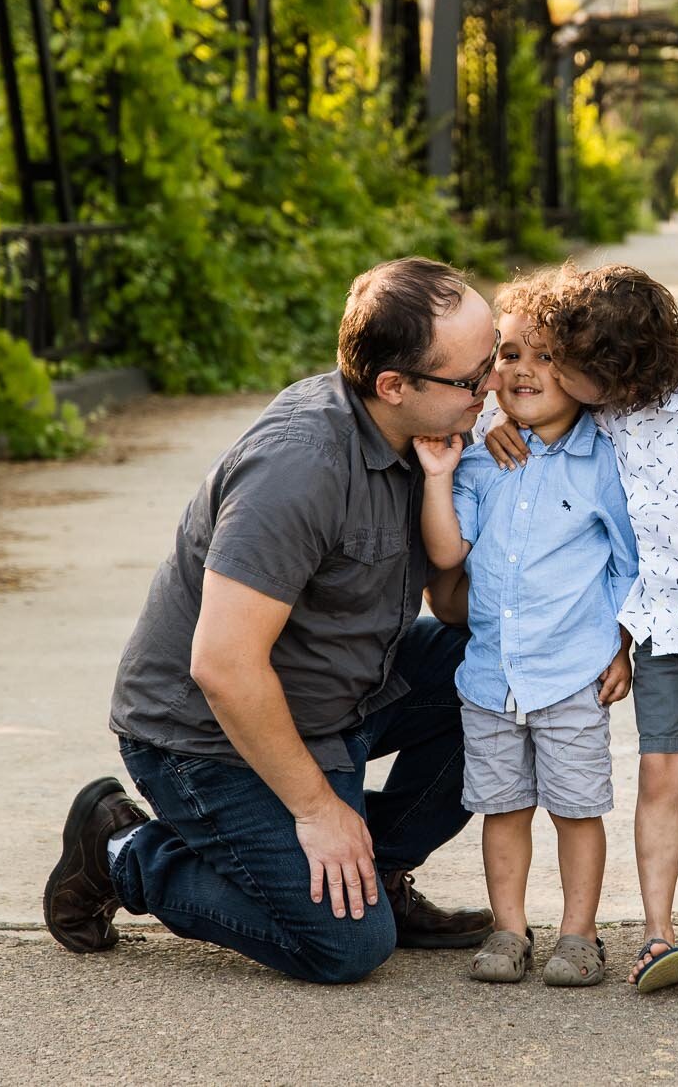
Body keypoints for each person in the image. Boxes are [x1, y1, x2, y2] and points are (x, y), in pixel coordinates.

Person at [42, 257, 499, 984]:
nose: (494, 386)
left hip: (345, 696)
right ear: (394, 385)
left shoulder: (433, 433)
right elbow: (223, 665)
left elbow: (451, 606)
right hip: (206, 735)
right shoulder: (299, 465)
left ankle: (369, 874)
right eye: (476, 378)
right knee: (348, 947)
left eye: (496, 356)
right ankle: (123, 851)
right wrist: (316, 807)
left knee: (506, 673)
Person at [490, 263, 678, 991]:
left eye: (567, 363)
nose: (553, 374)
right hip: (660, 623)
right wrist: (500, 420)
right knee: (657, 773)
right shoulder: (601, 414)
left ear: (616, 368)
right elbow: (503, 401)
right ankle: (658, 933)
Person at [415, 271, 639, 988]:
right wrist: (438, 476)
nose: (523, 370)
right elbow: (449, 554)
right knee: (503, 807)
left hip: (571, 670)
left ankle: (580, 933)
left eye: (545, 356)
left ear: (580, 369)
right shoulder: (483, 454)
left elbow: (629, 562)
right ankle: (509, 927)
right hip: (491, 674)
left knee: (577, 809)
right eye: (509, 354)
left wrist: (622, 640)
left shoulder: (604, 458)